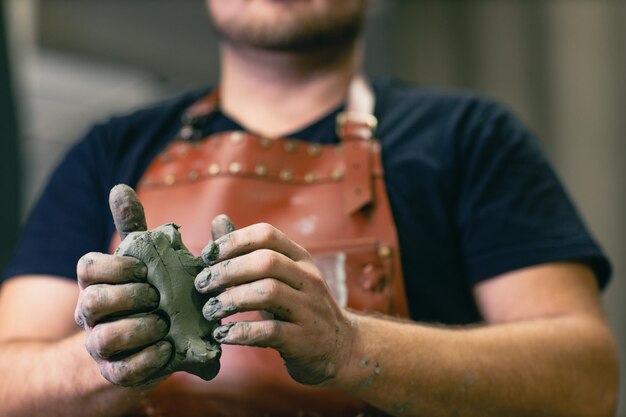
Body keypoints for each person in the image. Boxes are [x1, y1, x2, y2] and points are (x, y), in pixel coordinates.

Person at [0, 1, 619, 416]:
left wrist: (350, 347)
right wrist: (101, 360)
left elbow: (586, 379)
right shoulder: (109, 149)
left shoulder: (468, 136)